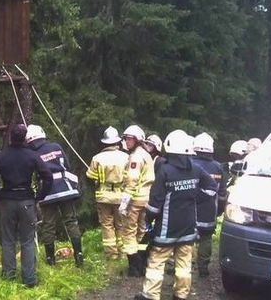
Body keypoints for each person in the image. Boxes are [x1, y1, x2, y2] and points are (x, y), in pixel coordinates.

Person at [134, 130, 218, 300]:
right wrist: (194, 196)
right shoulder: (196, 168)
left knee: (156, 262)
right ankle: (180, 295)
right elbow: (211, 187)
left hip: (166, 230)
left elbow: (155, 203)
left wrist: (148, 221)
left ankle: (150, 296)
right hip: (188, 228)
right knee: (184, 265)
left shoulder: (165, 171)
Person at [0, 124, 53, 288]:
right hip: (27, 200)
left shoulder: (2, 156)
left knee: (8, 240)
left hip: (7, 200)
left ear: (10, 138)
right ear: (25, 138)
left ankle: (8, 277)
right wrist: (40, 196)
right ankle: (29, 280)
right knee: (27, 241)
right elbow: (47, 177)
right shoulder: (32, 156)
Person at [25, 124, 83, 267]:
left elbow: (31, 174)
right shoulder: (56, 146)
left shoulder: (32, 154)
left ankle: (50, 259)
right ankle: (78, 254)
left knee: (48, 225)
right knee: (71, 221)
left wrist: (36, 194)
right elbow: (67, 165)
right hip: (65, 188)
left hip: (47, 191)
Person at [86, 126, 129, 260]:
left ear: (104, 142)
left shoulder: (97, 158)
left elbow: (90, 175)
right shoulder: (126, 157)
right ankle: (124, 252)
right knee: (122, 224)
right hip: (121, 197)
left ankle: (111, 254)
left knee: (107, 225)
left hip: (103, 197)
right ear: (117, 141)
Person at [120, 124, 155, 276]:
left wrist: (124, 202)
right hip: (146, 199)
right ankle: (142, 262)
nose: (127, 141)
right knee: (142, 231)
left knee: (129, 232)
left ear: (137, 140)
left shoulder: (136, 156)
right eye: (126, 138)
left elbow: (132, 179)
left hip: (135, 199)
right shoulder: (146, 154)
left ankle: (133, 267)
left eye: (129, 139)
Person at [192, 132, 228, 277]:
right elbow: (222, 193)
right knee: (206, 239)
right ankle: (203, 267)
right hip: (209, 211)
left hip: (190, 210)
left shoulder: (190, 164)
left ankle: (184, 266)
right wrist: (219, 210)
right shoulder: (218, 167)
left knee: (187, 239)